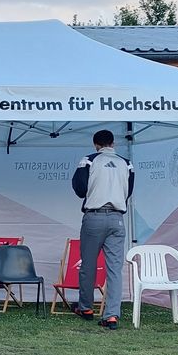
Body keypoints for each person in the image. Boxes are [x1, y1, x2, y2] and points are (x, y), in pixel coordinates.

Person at [71, 129, 134, 330]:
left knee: (88, 265)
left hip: (94, 217)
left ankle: (86, 308)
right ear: (113, 144)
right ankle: (112, 315)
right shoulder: (127, 163)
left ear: (96, 145)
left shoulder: (88, 161)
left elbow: (80, 189)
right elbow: (129, 191)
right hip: (117, 218)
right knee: (115, 268)